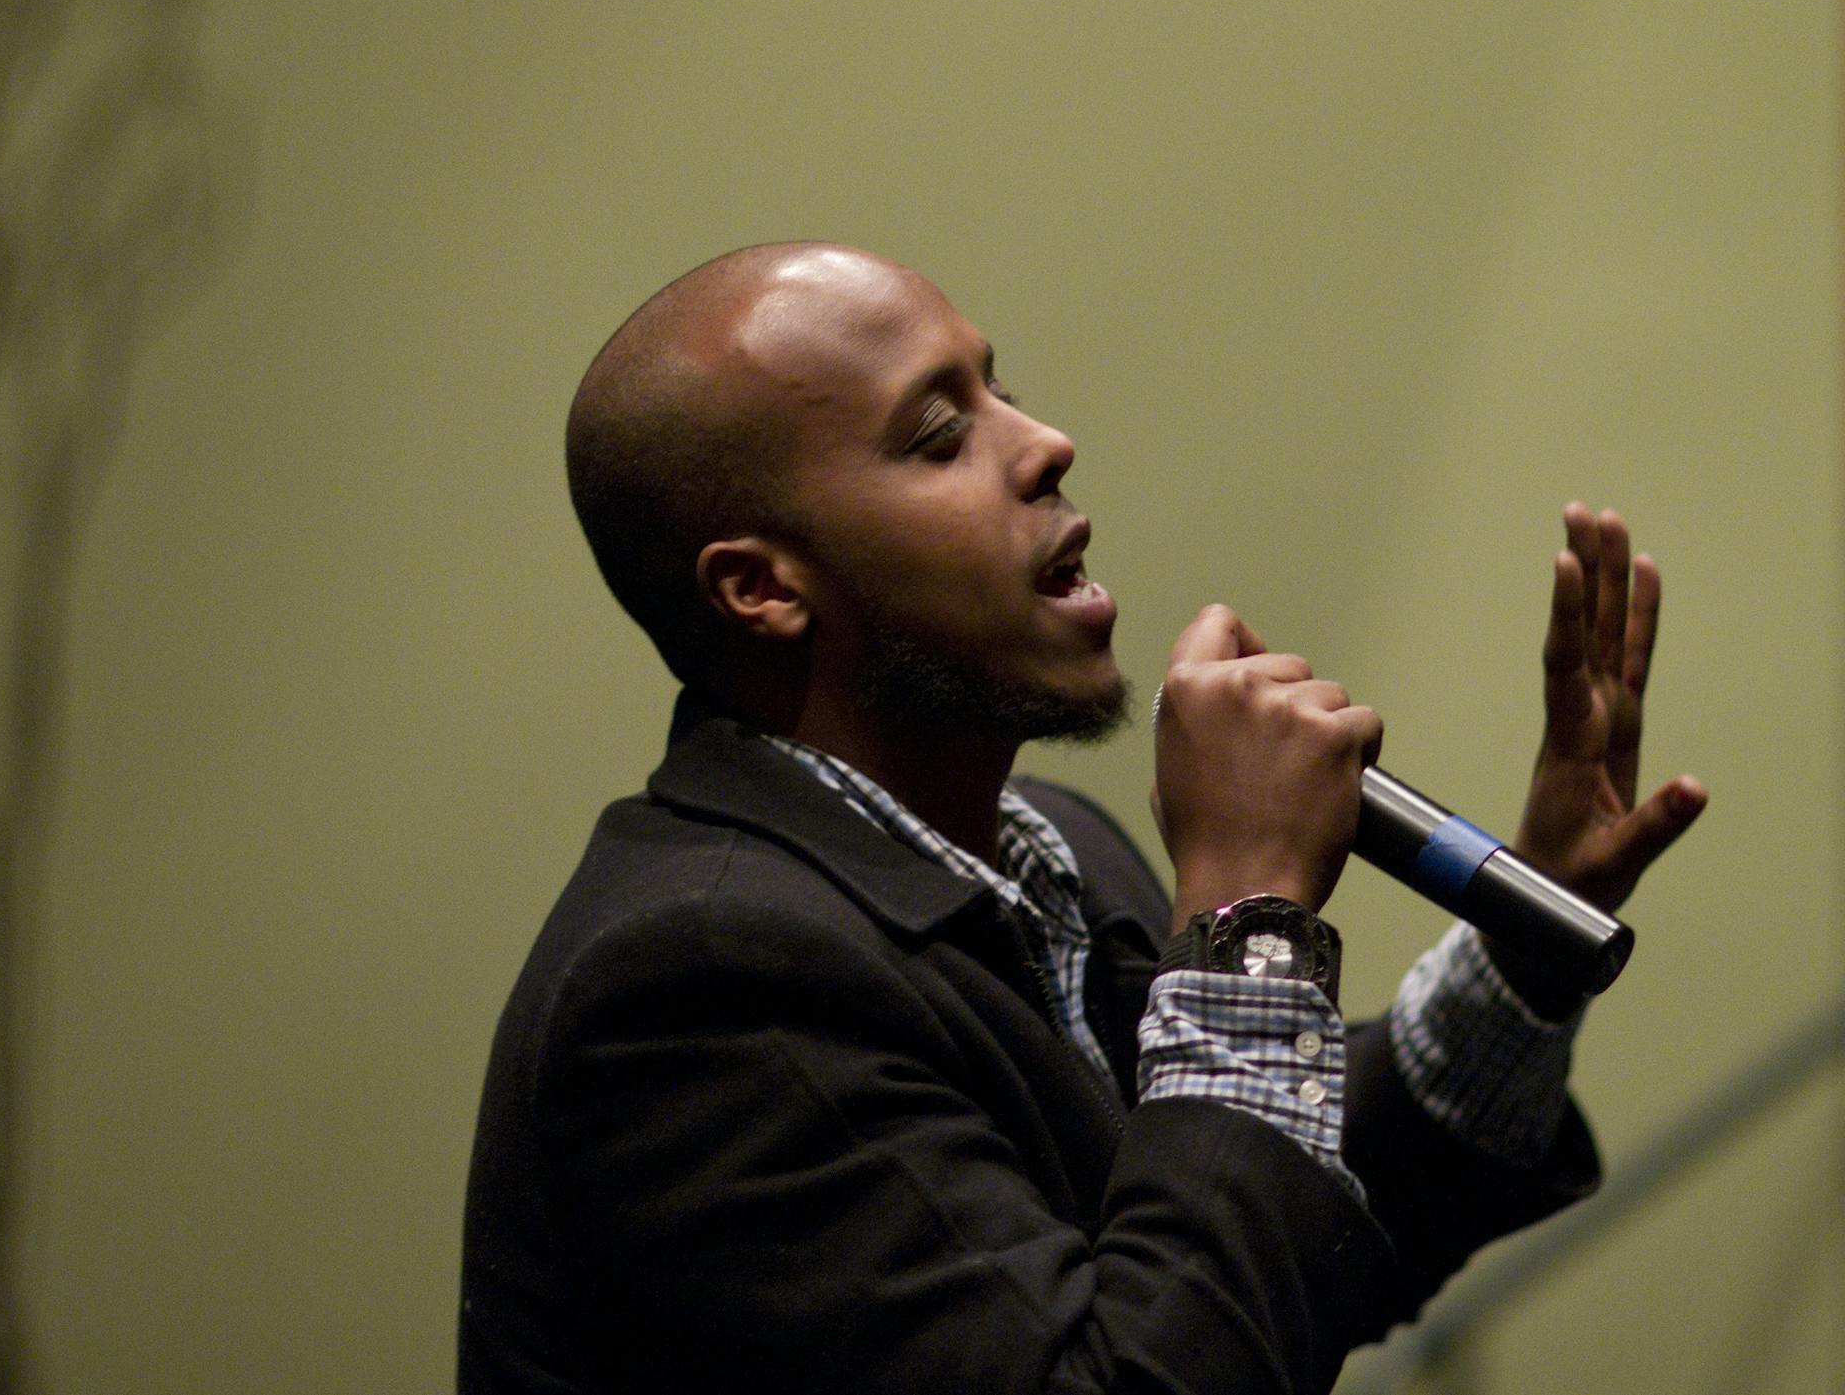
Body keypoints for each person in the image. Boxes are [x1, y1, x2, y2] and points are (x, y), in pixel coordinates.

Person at [459, 242, 1706, 1394]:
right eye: (941, 434)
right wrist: (1248, 911)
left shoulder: (1048, 845)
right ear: (762, 589)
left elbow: (1254, 1248)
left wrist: (1522, 948)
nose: (1044, 442)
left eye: (1000, 389)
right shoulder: (698, 984)